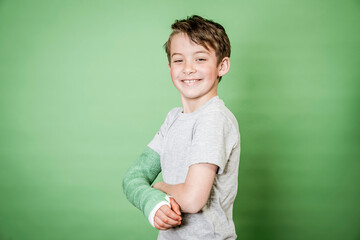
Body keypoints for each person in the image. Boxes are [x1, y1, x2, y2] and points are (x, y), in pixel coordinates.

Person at [122, 15, 240, 240]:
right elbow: (133, 177)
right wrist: (149, 200)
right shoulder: (174, 118)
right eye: (179, 60)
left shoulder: (214, 118)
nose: (188, 69)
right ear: (169, 68)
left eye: (200, 59)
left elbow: (192, 199)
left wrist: (157, 189)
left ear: (222, 66)